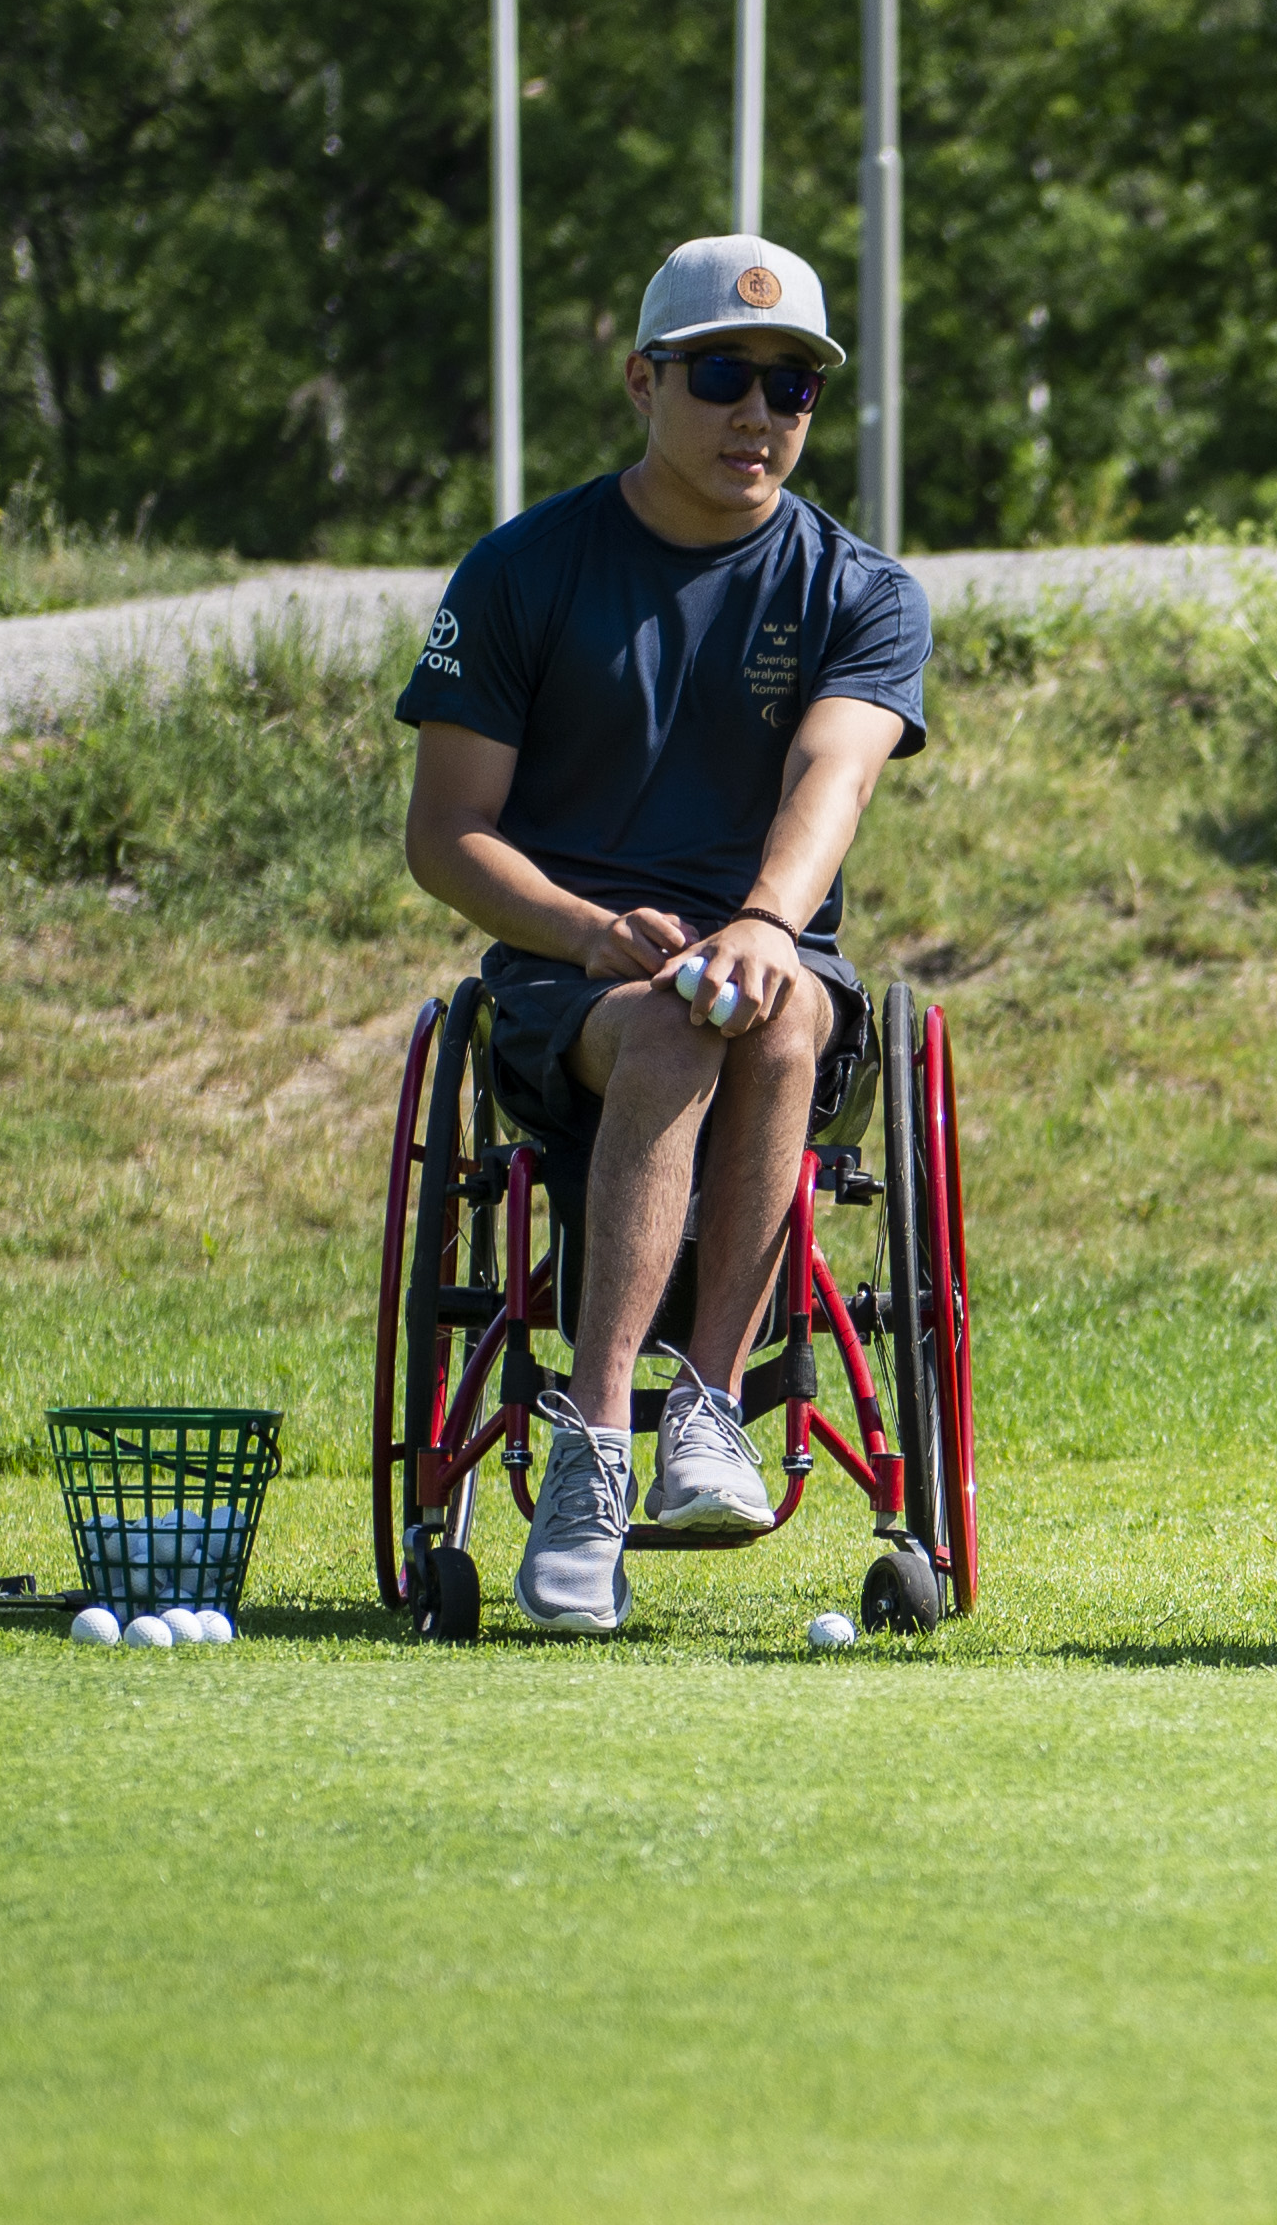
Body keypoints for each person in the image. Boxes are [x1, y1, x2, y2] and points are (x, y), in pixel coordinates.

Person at [396, 232, 934, 1635]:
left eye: (792, 387)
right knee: (677, 1021)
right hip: (565, 989)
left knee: (776, 1006)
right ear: (645, 382)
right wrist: (585, 935)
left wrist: (764, 919)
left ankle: (703, 1410)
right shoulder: (521, 571)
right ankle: (592, 1455)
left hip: (778, 968)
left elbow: (838, 772)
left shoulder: (863, 591)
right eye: (722, 377)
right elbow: (446, 833)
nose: (759, 412)